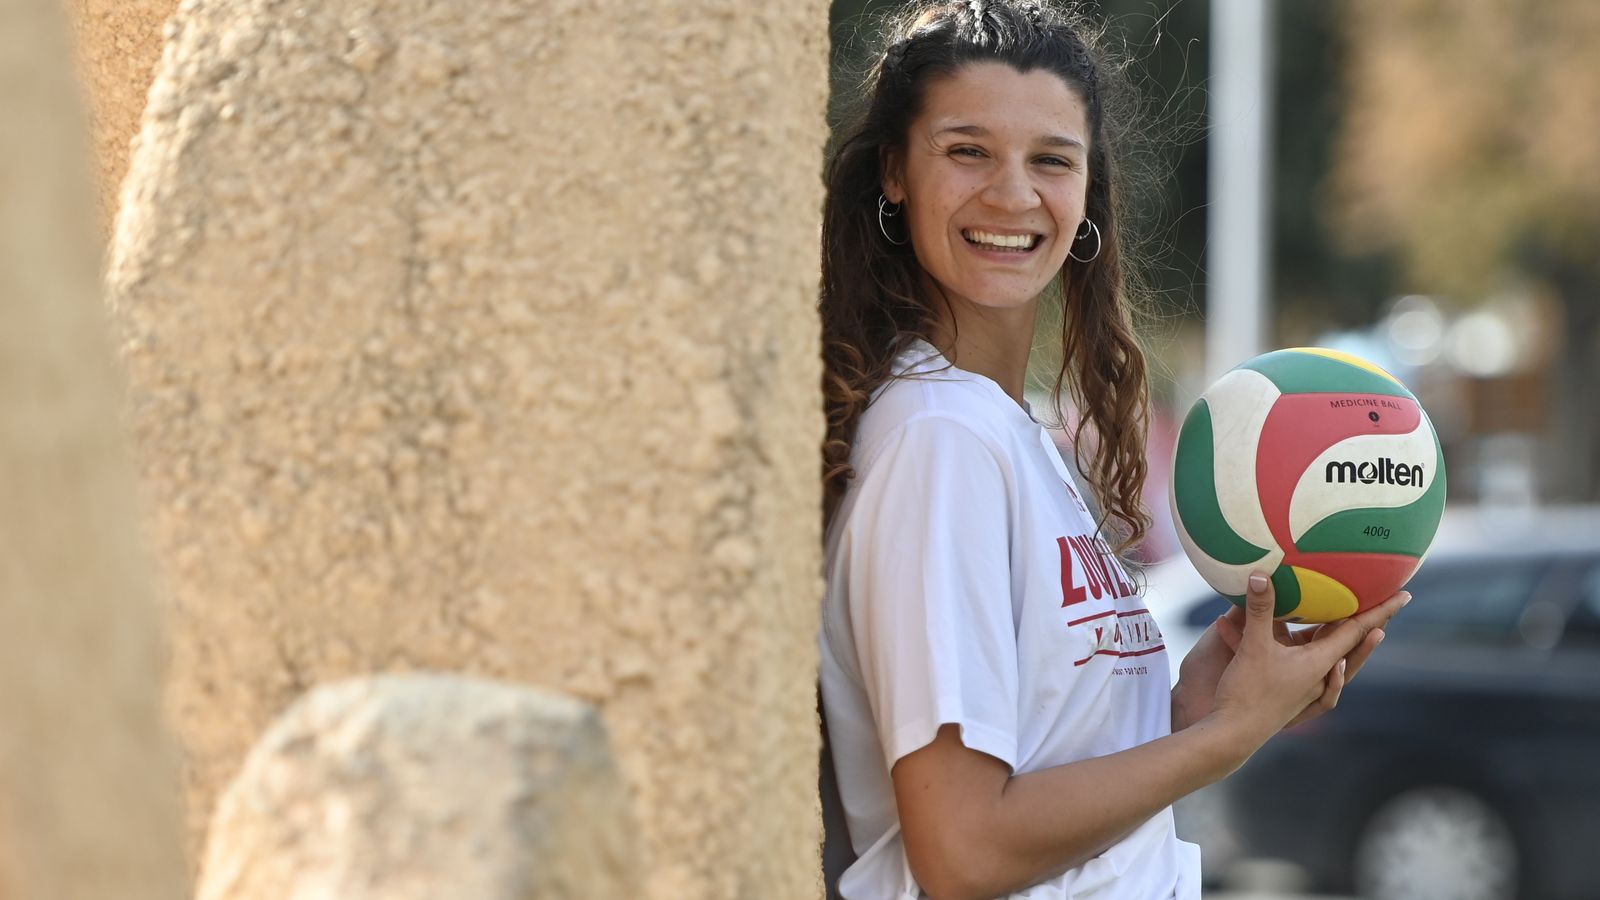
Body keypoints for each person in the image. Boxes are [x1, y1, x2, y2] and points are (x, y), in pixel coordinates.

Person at [816, 2, 1409, 898]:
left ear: (1088, 189)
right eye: (968, 150)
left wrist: (1188, 713)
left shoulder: (1010, 433)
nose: (1014, 194)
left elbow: (1046, 764)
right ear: (895, 171)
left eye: (1051, 159)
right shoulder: (939, 440)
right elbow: (962, 850)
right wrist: (1221, 742)